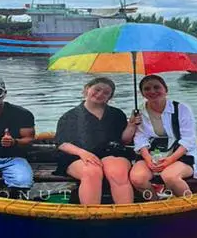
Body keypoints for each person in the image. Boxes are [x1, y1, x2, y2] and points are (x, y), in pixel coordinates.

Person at [54, 76, 138, 205]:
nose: (100, 94)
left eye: (106, 93)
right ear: (87, 89)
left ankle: (126, 212)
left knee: (117, 171)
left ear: (110, 97)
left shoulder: (117, 114)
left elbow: (123, 140)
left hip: (111, 153)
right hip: (78, 156)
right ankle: (92, 215)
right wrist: (83, 153)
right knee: (92, 171)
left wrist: (132, 125)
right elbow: (62, 143)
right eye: (97, 89)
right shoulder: (70, 116)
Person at [130, 74, 197, 198]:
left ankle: (189, 207)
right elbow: (140, 137)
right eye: (147, 89)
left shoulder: (182, 109)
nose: (152, 91)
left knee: (170, 176)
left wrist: (170, 160)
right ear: (142, 93)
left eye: (157, 87)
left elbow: (189, 139)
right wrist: (147, 159)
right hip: (153, 153)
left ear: (166, 90)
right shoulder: (139, 112)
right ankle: (156, 204)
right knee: (137, 178)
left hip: (181, 154)